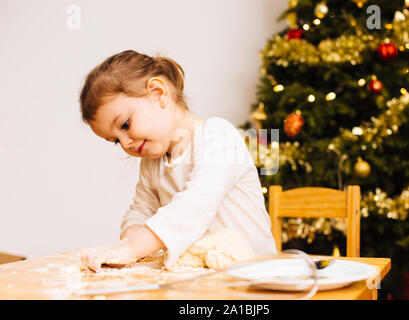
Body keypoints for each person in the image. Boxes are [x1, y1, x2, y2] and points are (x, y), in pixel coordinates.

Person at [78, 50, 276, 272]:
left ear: (157, 93)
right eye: (115, 140)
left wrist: (133, 248)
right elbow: (140, 210)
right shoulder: (152, 163)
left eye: (125, 125)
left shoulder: (217, 136)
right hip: (205, 280)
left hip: (258, 278)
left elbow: (194, 206)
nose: (125, 144)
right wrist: (130, 241)